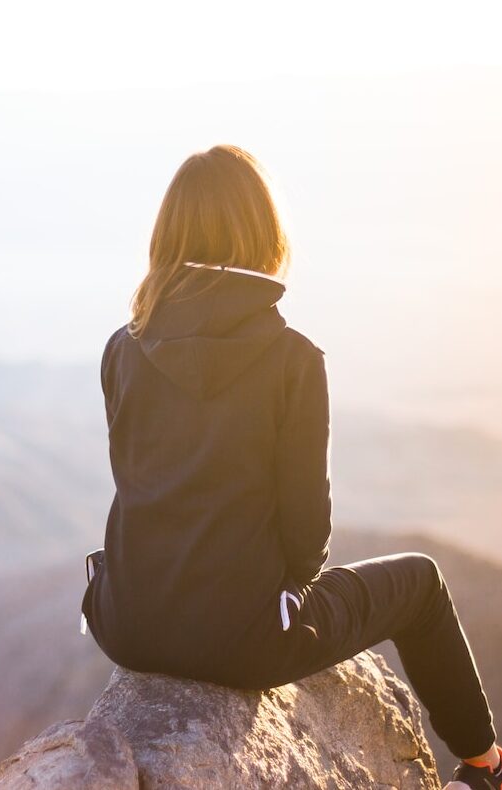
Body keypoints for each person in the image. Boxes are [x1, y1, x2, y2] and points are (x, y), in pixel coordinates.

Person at [80, 144, 500, 790]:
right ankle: (483, 764)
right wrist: (282, 596)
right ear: (264, 235)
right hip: (244, 642)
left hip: (126, 624)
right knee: (420, 582)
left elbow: (136, 480)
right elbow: (307, 533)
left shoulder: (122, 347)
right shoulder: (291, 359)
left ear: (167, 235)